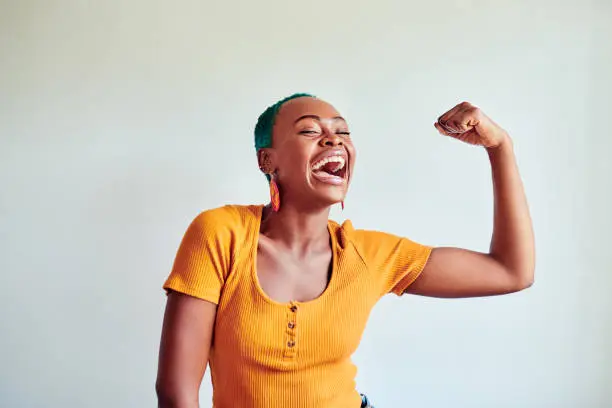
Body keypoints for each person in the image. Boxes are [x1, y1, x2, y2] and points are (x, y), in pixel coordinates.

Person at [155, 93, 535, 408]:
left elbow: (510, 272)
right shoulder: (221, 234)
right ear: (267, 161)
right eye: (308, 130)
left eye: (342, 133)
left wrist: (500, 148)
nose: (334, 140)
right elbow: (176, 393)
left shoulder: (370, 254)